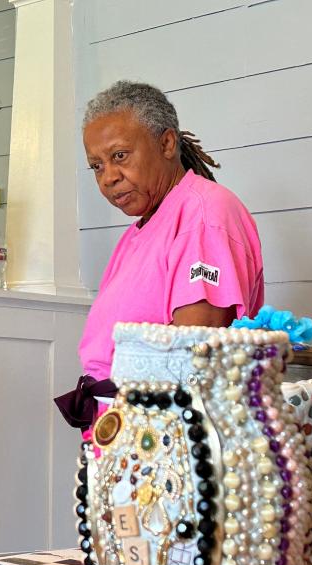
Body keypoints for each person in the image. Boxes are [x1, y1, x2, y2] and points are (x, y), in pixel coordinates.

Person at [57, 81, 264, 431]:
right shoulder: (138, 232)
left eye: (119, 156)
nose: (108, 178)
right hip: (125, 433)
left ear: (167, 143)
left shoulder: (204, 214)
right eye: (96, 166)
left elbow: (195, 349)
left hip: (169, 439)